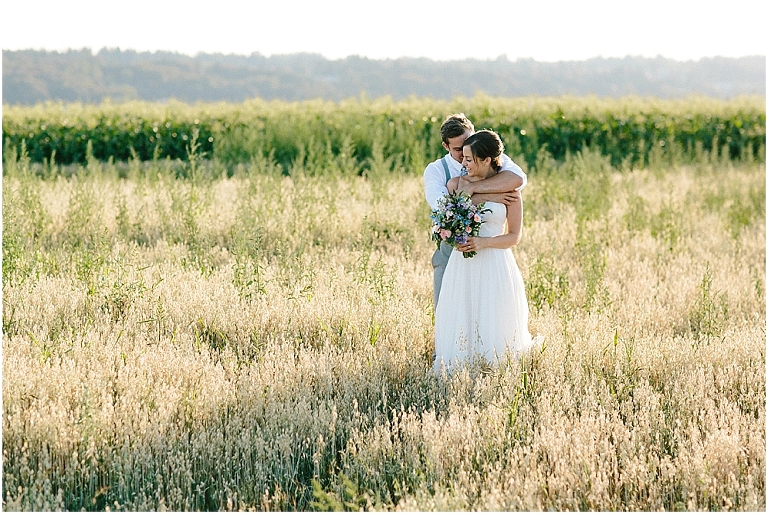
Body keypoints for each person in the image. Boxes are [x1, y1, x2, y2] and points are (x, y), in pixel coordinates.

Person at [433, 130, 538, 372]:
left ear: (486, 160)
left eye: (469, 159)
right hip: (463, 263)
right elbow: (457, 200)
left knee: (493, 314)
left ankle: (492, 366)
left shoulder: (512, 193)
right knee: (463, 312)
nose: (463, 163)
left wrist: (483, 243)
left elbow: (513, 237)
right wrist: (489, 194)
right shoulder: (456, 184)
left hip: (495, 261)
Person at [423, 113, 527, 309]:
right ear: (446, 146)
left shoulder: (491, 157)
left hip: (491, 257)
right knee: (449, 313)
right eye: (459, 150)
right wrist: (490, 196)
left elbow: (519, 179)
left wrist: (473, 189)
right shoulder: (436, 171)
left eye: (469, 144)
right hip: (451, 252)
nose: (465, 155)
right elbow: (443, 206)